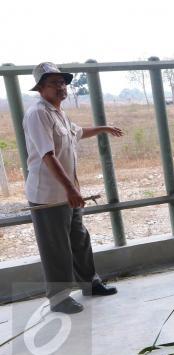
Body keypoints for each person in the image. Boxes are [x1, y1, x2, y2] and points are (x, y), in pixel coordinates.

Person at [23, 62, 124, 314]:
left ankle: (90, 283)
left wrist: (104, 128)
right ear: (40, 88)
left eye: (62, 82)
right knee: (55, 246)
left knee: (79, 238)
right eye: (54, 83)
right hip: (49, 195)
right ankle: (58, 298)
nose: (61, 87)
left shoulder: (59, 113)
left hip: (68, 192)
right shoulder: (38, 114)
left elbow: (77, 133)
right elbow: (48, 155)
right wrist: (70, 189)